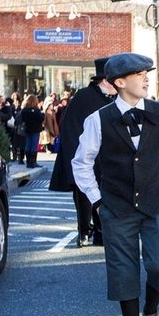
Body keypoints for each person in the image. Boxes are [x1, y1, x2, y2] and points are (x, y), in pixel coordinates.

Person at [72, 52, 159, 316]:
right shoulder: (98, 119)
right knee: (124, 274)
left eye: (148, 73)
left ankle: (152, 311)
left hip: (158, 202)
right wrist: (97, 200)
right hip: (117, 206)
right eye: (140, 74)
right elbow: (81, 163)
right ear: (119, 82)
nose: (147, 78)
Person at [50, 57, 116, 247]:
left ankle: (101, 231)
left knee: (105, 193)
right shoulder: (83, 97)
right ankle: (85, 230)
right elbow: (70, 127)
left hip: (107, 158)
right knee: (84, 195)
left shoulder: (113, 98)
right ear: (104, 80)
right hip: (85, 155)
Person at [20, 94, 44, 168]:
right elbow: (41, 119)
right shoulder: (36, 110)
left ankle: (28, 162)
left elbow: (23, 119)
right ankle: (33, 162)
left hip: (27, 129)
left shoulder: (24, 110)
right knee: (34, 145)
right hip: (35, 129)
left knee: (28, 144)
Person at [10, 92, 25, 164]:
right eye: (14, 97)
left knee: (20, 142)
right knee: (14, 143)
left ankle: (20, 157)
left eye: (16, 97)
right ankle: (14, 156)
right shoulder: (11, 106)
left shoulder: (21, 105)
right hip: (13, 127)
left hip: (19, 126)